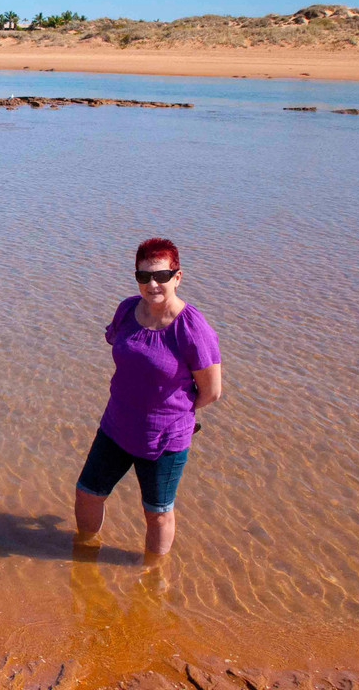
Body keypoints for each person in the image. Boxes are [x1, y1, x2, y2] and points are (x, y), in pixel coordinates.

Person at [74, 237, 222, 556]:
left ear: (177, 277)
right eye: (144, 276)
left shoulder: (192, 329)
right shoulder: (127, 309)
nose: (152, 284)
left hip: (163, 439)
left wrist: (176, 414)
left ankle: (152, 575)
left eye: (161, 276)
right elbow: (124, 351)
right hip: (116, 426)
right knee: (87, 493)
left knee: (157, 513)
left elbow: (212, 391)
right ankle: (83, 557)